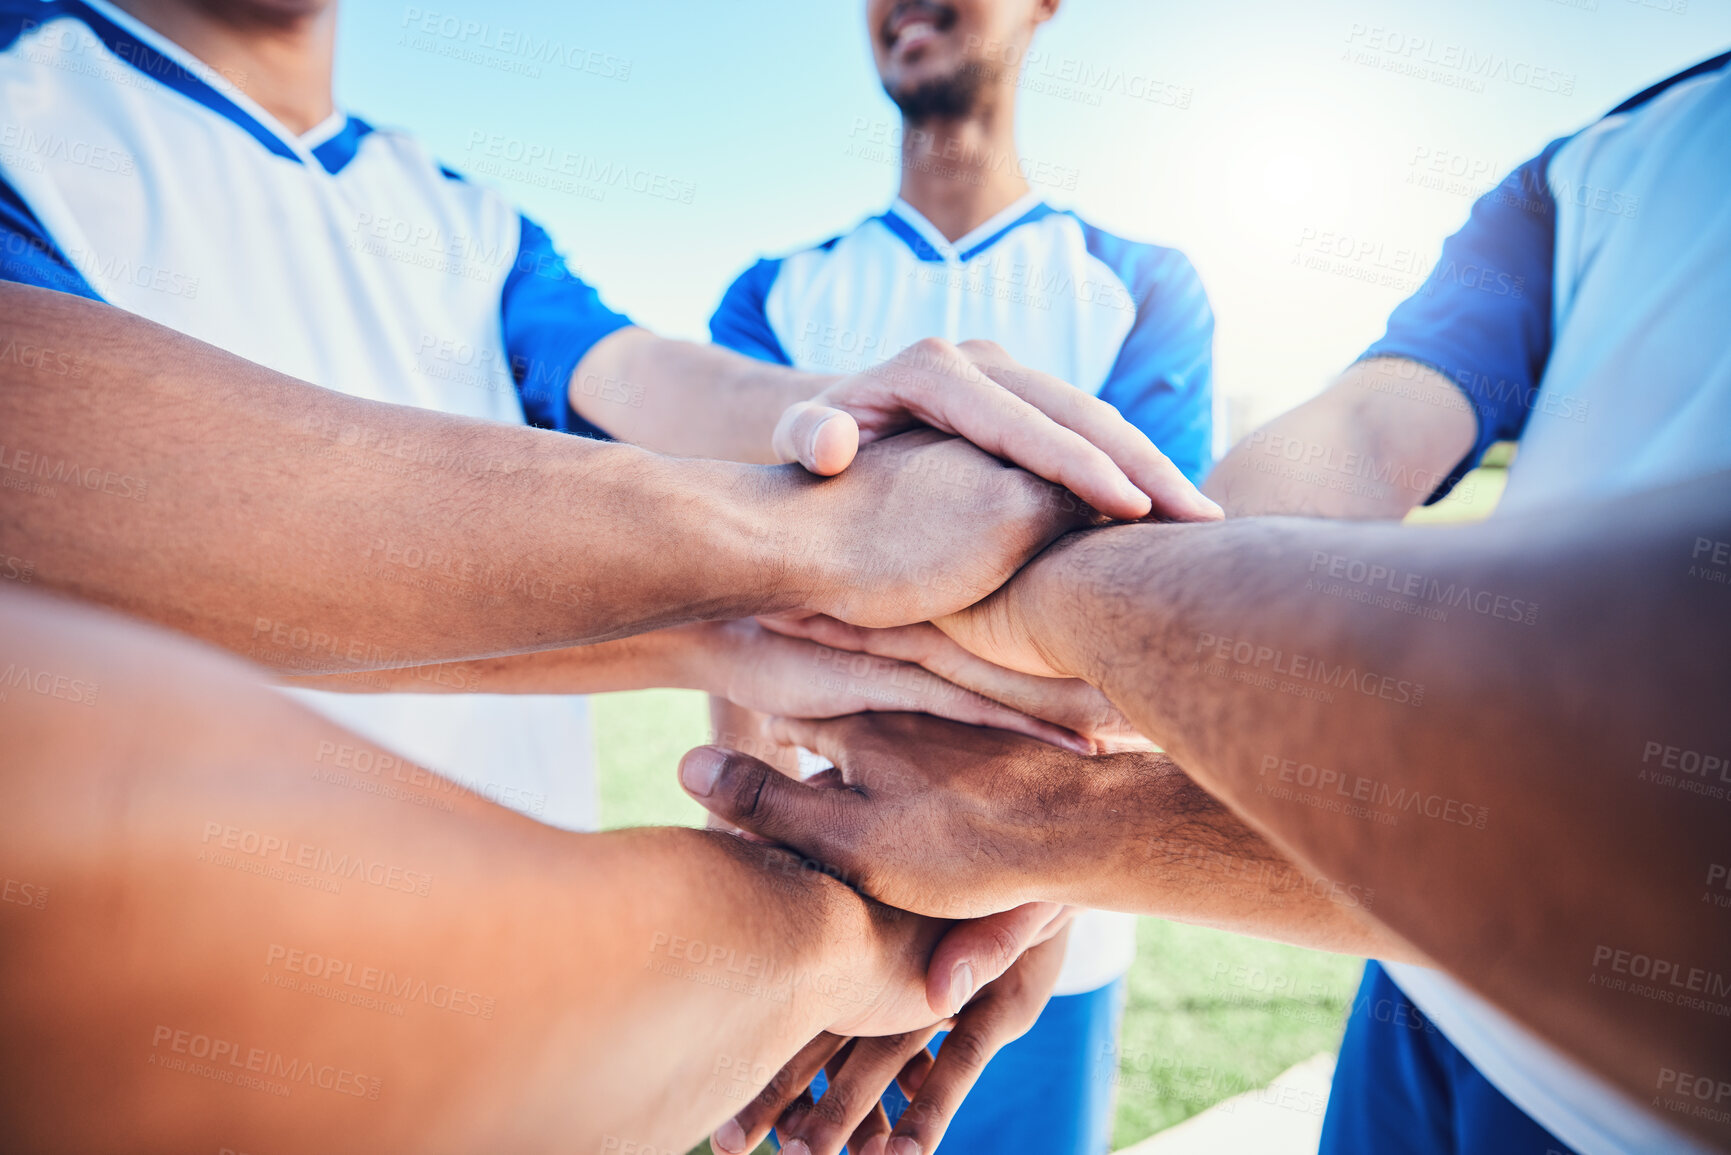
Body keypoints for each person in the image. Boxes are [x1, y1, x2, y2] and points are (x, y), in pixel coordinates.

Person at [683, 50, 1731, 1155]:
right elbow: (1360, 438)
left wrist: (1054, 812)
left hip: (1623, 1088)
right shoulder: (1600, 161)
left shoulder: (1144, 280)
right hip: (1422, 1000)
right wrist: (795, 849)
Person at [0, 0, 1213, 836]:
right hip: (169, 999)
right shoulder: (31, 94)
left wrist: (833, 417)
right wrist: (760, 592)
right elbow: (93, 493)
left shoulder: (465, 215)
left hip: (537, 1011)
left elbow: (627, 371)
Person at [0, 581, 1087, 1153]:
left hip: (904, 941)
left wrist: (1058, 829)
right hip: (658, 961)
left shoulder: (488, 233)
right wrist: (846, 927)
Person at [704, 2, 1213, 1150]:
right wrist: (771, 856)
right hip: (816, 898)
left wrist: (1046, 864)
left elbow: (1155, 613)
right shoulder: (773, 296)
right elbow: (731, 595)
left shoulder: (1143, 285)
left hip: (1046, 929)